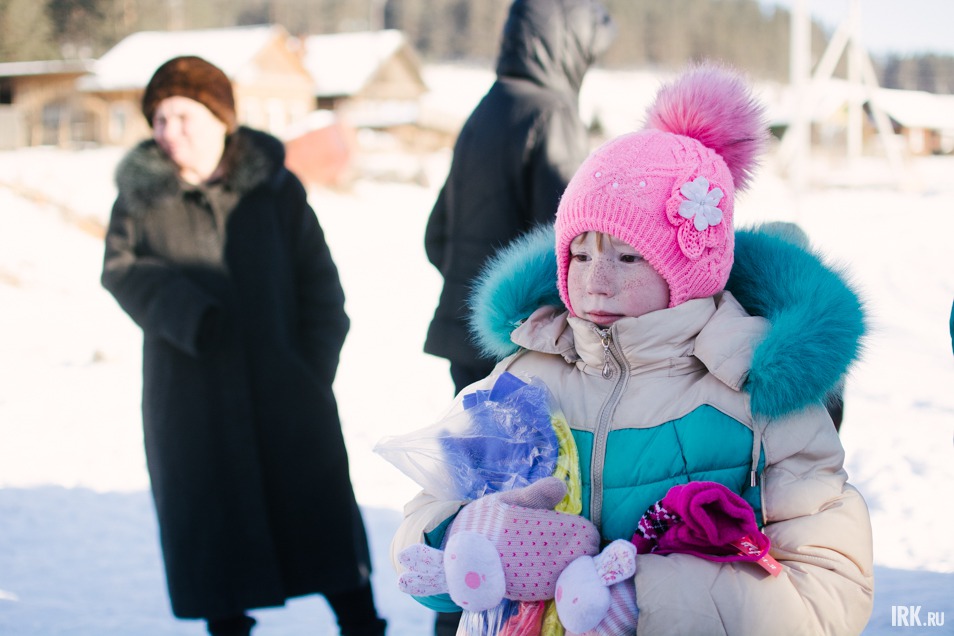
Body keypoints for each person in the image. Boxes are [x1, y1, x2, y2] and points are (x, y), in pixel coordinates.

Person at [393, 64, 873, 634]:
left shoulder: (757, 398)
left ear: (689, 272)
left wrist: (638, 599)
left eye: (627, 257)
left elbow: (829, 590)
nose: (596, 281)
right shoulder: (528, 374)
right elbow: (423, 521)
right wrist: (466, 541)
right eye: (580, 255)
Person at [100, 56, 386, 636]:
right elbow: (122, 270)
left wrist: (310, 368)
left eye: (181, 115)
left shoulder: (275, 190)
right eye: (157, 119)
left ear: (218, 116)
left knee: (320, 520)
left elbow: (321, 287)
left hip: (287, 391)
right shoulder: (140, 199)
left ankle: (360, 625)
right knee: (210, 530)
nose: (167, 131)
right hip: (189, 400)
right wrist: (186, 312)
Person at [424, 0, 617, 397]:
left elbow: (436, 234)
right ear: (570, 41)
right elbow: (572, 241)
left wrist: (476, 294)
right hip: (523, 346)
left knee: (479, 455)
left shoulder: (484, 110)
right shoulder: (551, 112)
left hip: (466, 336)